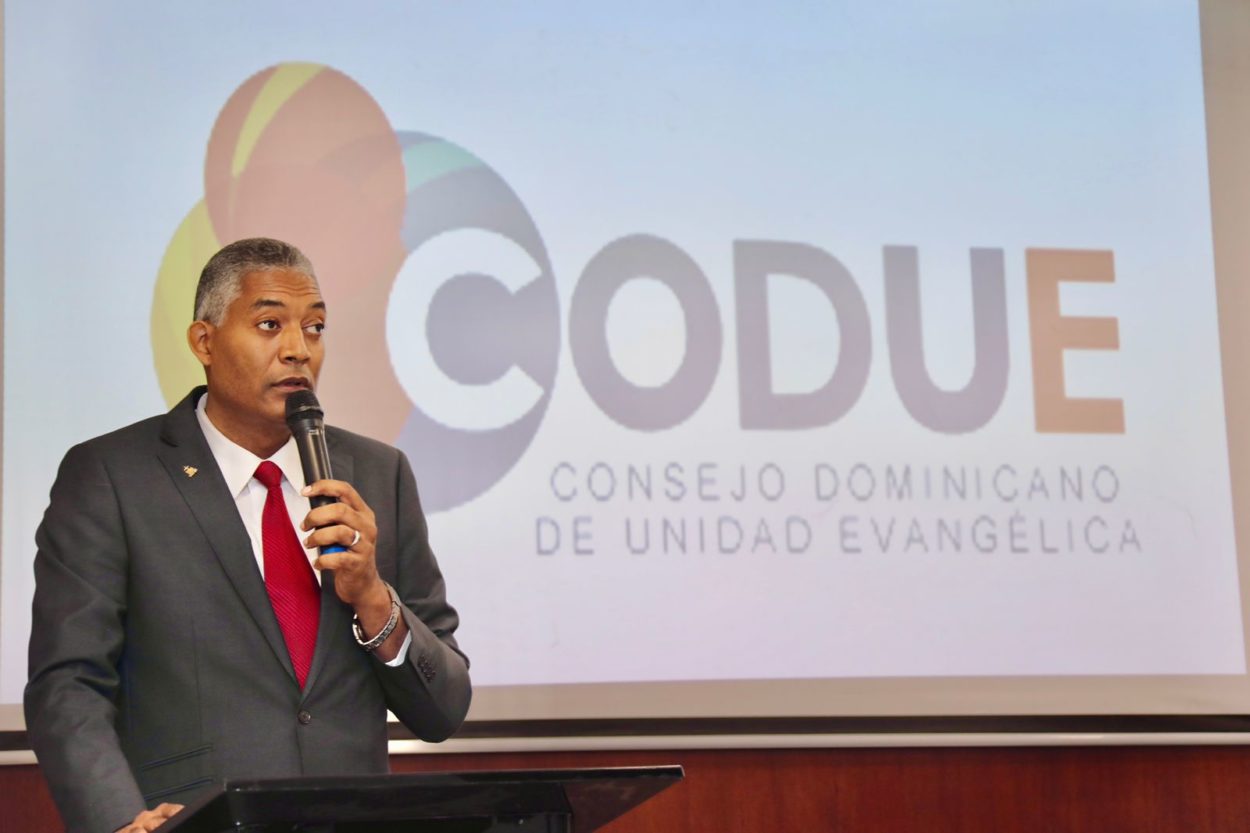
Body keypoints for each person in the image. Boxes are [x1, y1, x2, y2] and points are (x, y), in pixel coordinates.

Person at [24, 238, 471, 833]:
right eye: (269, 325)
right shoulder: (113, 476)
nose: (298, 350)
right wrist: (120, 820)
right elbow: (68, 685)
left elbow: (443, 709)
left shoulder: (376, 474)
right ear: (203, 342)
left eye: (314, 328)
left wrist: (372, 597)